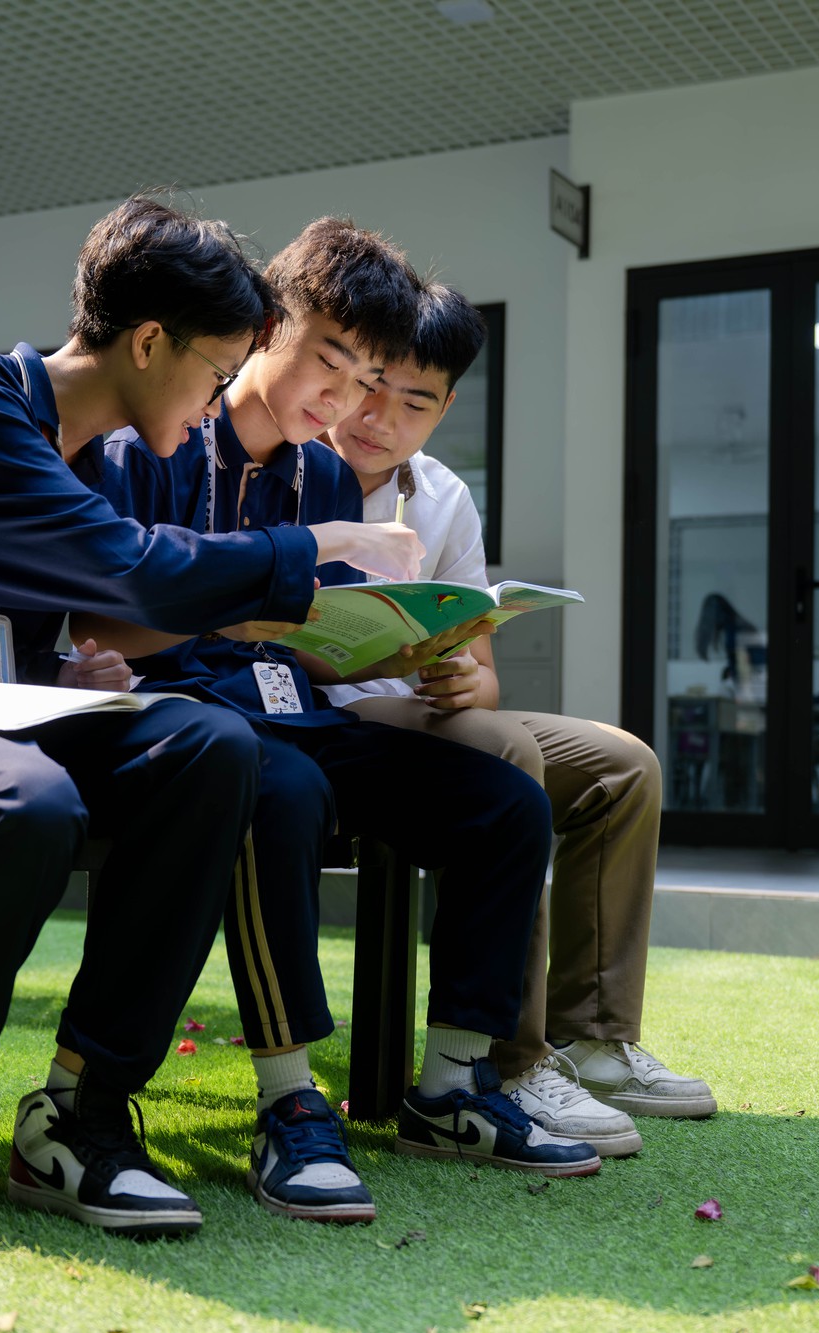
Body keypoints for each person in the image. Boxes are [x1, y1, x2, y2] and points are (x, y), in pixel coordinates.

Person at [0, 197, 424, 1243]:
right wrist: (321, 546)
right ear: (149, 343)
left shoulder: (81, 448)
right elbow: (131, 568)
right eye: (216, 372)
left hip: (0, 710)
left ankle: (81, 1110)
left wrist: (70, 668)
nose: (217, 403)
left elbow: (64, 602)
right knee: (23, 804)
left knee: (213, 746)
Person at [76, 219, 600, 1227]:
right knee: (275, 787)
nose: (344, 398)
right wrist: (257, 603)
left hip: (296, 711)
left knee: (505, 803)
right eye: (330, 360)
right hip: (187, 724)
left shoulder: (320, 475)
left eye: (366, 379)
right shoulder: (153, 442)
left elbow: (310, 638)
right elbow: (111, 622)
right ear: (266, 326)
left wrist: (397, 646)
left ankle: (451, 1087)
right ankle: (288, 1098)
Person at [318, 282, 719, 1156]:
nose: (380, 418)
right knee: (504, 755)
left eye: (415, 402)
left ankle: (595, 1037)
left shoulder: (443, 497)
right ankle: (511, 1058)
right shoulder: (290, 468)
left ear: (445, 408)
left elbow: (487, 679)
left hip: (419, 717)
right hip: (327, 723)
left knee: (624, 765)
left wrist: (462, 679)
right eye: (371, 387)